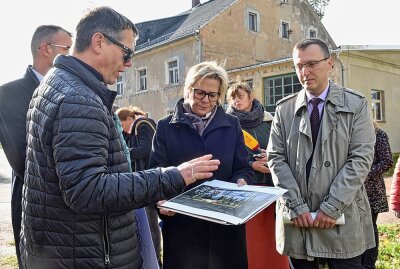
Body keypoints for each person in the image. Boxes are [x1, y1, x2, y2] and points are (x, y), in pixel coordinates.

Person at [20, 7, 220, 269]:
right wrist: (175, 175)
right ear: (99, 42)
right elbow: (87, 191)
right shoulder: (78, 98)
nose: (129, 63)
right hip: (84, 254)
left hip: (64, 249)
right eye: (127, 53)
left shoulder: (56, 83)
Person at [267, 38, 376, 269]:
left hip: (341, 221)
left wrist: (332, 206)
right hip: (299, 222)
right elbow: (275, 158)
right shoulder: (284, 109)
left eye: (312, 63)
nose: (305, 71)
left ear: (330, 63)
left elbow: (361, 159)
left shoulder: (355, 105)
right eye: (299, 66)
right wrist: (295, 205)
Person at [149, 61, 254, 269]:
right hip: (183, 229)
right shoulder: (165, 126)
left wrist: (241, 181)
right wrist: (161, 202)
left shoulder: (232, 124)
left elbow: (244, 167)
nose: (206, 100)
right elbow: (155, 174)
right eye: (200, 93)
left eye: (212, 95)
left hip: (225, 227)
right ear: (188, 89)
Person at [0, 24, 72, 268]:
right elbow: (22, 159)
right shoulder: (8, 94)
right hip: (35, 206)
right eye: (67, 49)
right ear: (45, 49)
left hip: (71, 213)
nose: (72, 56)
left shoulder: (70, 91)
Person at [226, 81, 289, 269]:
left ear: (250, 97)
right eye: (233, 98)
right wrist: (251, 164)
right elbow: (226, 155)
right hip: (245, 188)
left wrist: (272, 158)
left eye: (240, 97)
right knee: (250, 240)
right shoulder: (227, 123)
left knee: (272, 236)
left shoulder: (270, 121)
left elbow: (284, 147)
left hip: (271, 187)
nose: (236, 101)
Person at [116, 106, 162, 267]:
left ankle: (155, 259)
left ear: (129, 119)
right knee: (148, 221)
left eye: (122, 125)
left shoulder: (143, 124)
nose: (124, 130)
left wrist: (125, 152)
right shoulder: (133, 130)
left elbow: (145, 149)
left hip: (149, 178)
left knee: (151, 223)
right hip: (143, 179)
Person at [361, 121, 393, 269]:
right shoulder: (354, 134)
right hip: (352, 192)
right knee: (355, 229)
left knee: (370, 227)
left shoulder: (379, 135)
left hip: (372, 191)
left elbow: (387, 161)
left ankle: (368, 264)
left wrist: (363, 174)